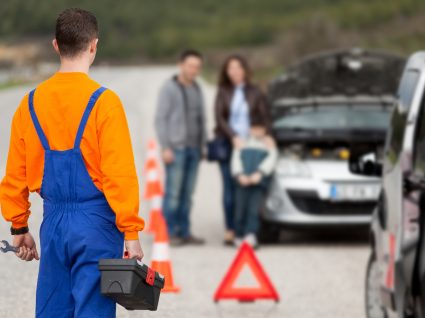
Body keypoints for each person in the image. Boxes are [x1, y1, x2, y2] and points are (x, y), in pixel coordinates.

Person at [0, 8, 144, 317]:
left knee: (53, 308)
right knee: (93, 309)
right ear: (94, 45)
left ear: (55, 46)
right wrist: (130, 232)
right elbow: (119, 174)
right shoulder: (104, 102)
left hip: (53, 224)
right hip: (97, 225)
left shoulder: (29, 103)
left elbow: (14, 174)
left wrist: (19, 226)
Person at [214, 55, 270, 245]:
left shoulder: (255, 91)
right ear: (226, 72)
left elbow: (264, 115)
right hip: (228, 144)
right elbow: (219, 118)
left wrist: (267, 136)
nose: (235, 71)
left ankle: (248, 230)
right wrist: (233, 137)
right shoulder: (223, 91)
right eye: (231, 68)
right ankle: (231, 229)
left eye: (238, 67)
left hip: (250, 147)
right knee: (230, 189)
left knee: (248, 189)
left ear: (245, 69)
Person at [155, 49, 207, 246]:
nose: (194, 70)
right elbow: (160, 119)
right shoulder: (169, 88)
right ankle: (169, 232)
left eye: (197, 67)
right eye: (191, 65)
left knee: (188, 194)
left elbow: (201, 119)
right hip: (176, 149)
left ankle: (185, 231)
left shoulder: (197, 88)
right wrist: (165, 147)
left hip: (194, 148)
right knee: (174, 193)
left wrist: (203, 145)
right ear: (181, 65)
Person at [231, 117, 277, 249]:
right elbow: (236, 160)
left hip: (257, 183)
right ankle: (239, 235)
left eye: (260, 129)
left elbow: (271, 159)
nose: (257, 132)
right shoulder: (242, 143)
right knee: (240, 209)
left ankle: (250, 235)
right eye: (254, 129)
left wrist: (260, 173)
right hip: (242, 182)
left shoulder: (268, 144)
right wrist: (239, 175)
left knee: (254, 210)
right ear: (250, 129)